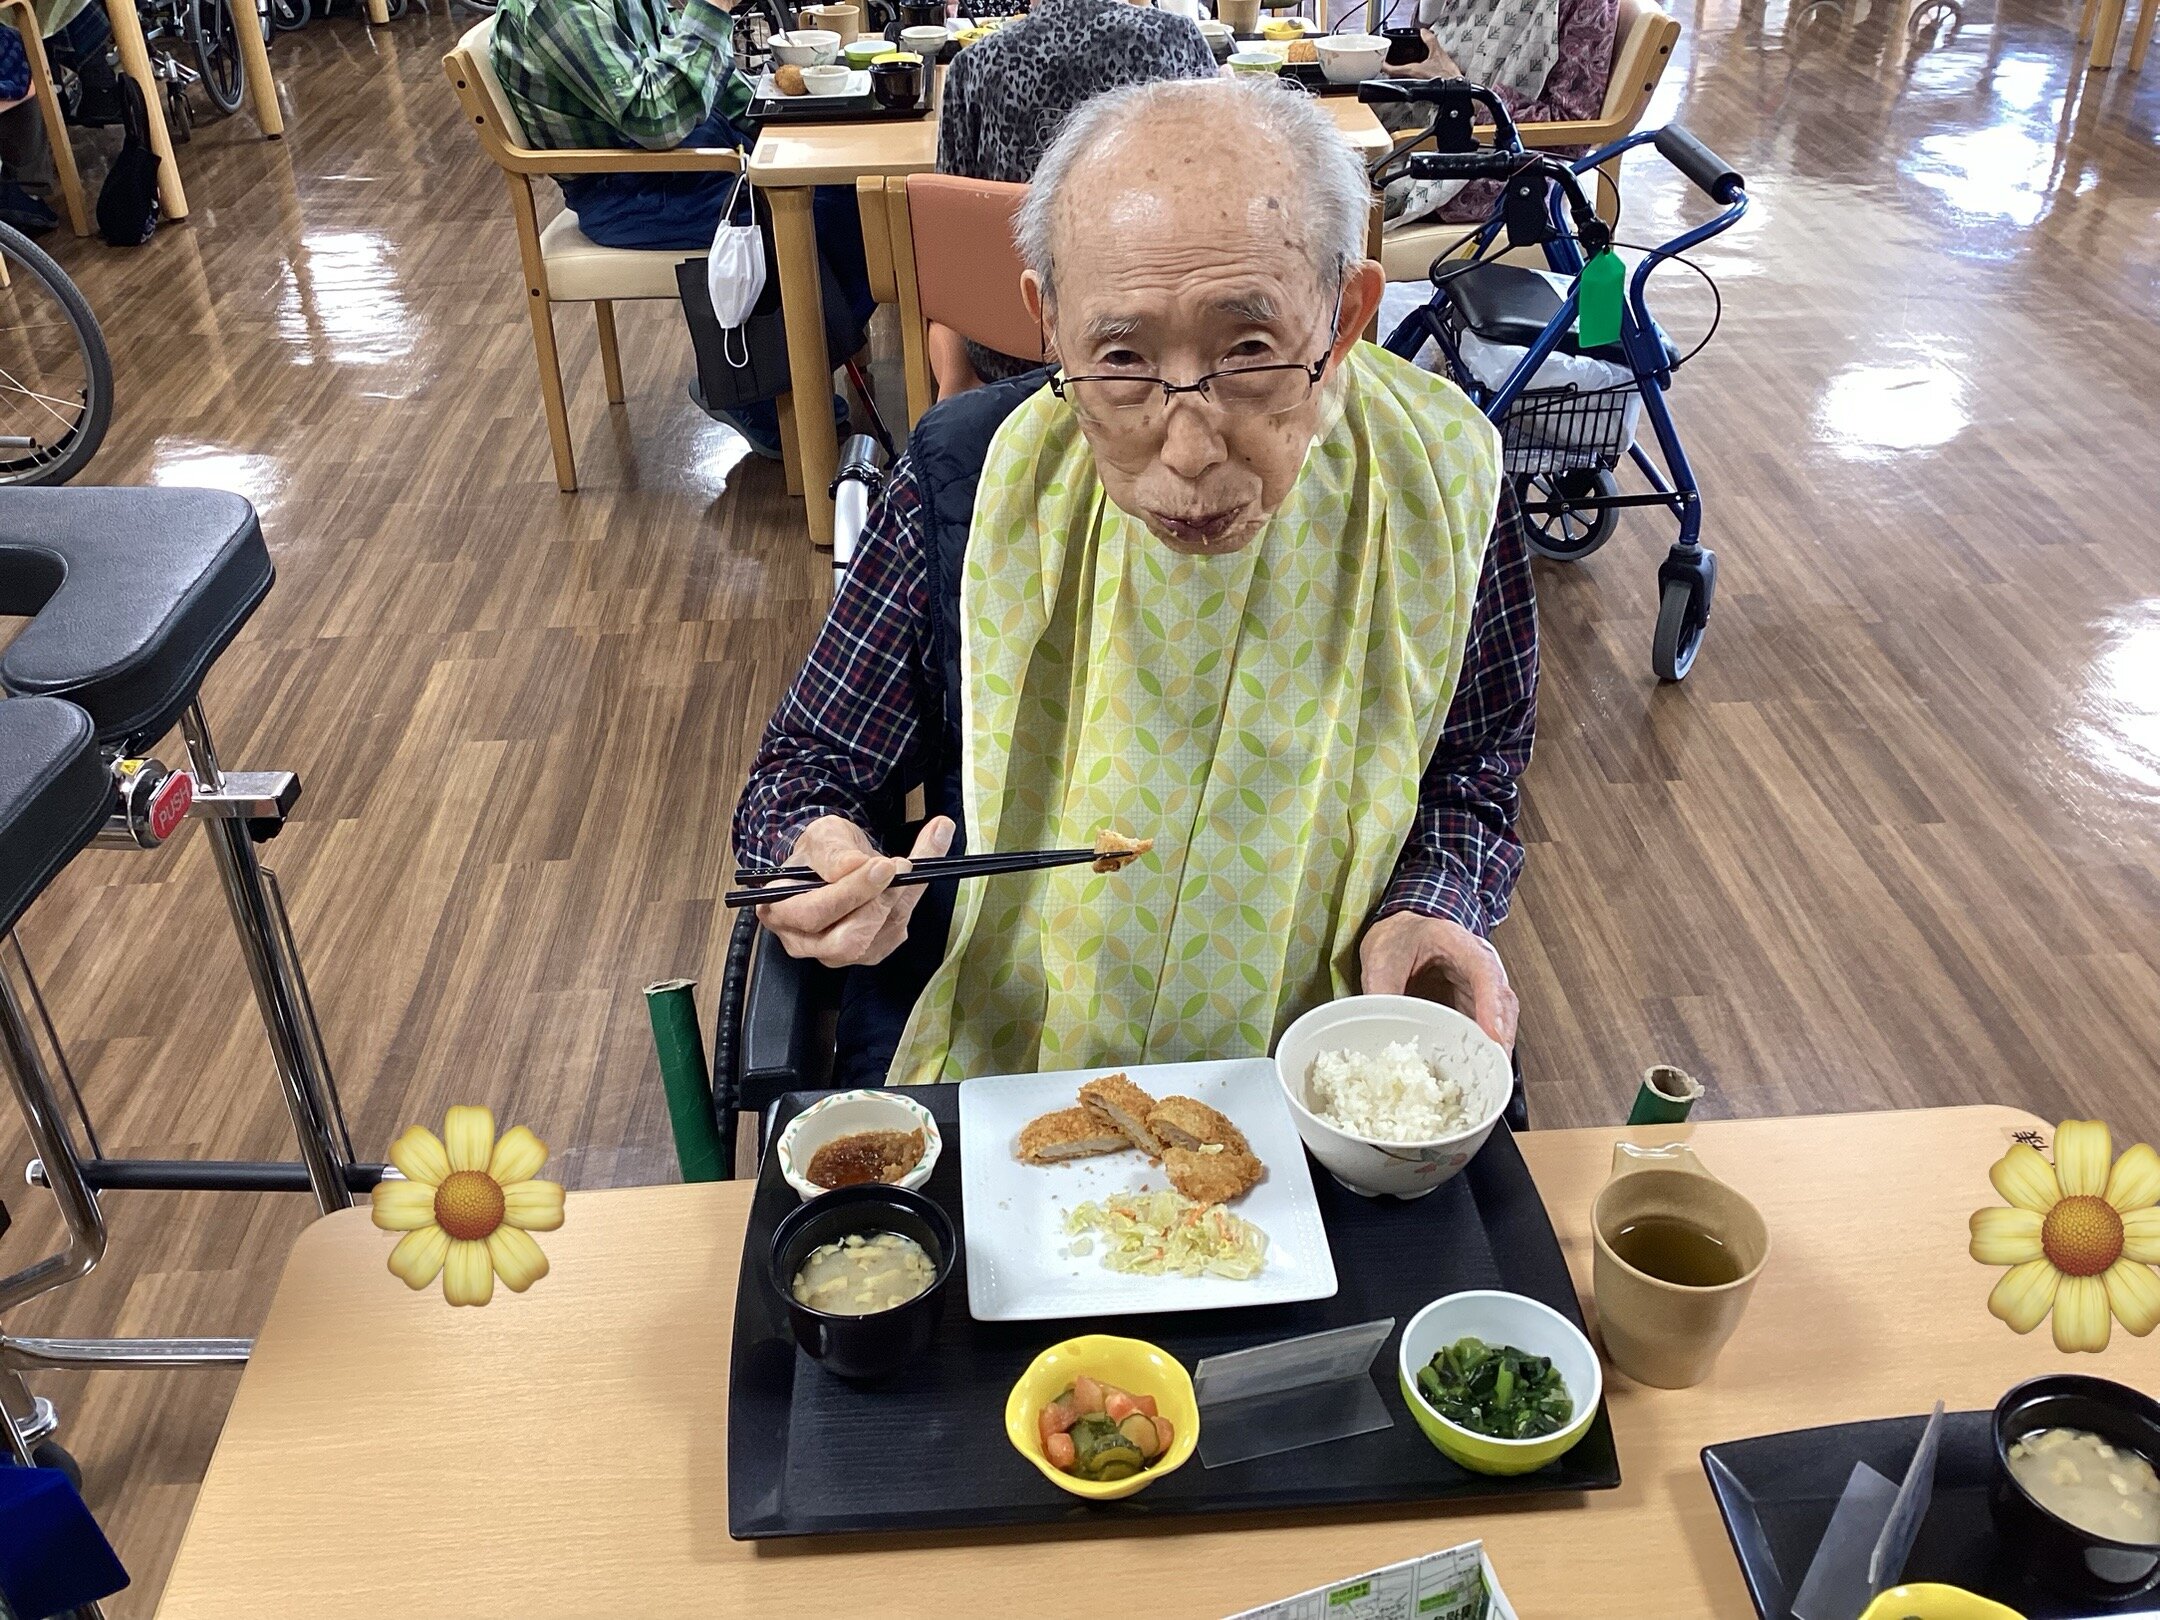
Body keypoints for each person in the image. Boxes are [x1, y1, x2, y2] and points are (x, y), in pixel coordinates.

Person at [733, 77, 1536, 1091]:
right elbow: (805, 767)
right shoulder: (968, 479)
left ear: (1344, 316)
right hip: (1012, 1062)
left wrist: (1434, 902)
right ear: (1049, 324)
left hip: (1323, 1071)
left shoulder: (1444, 479)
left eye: (1250, 352)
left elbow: (1476, 767)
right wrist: (820, 852)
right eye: (1120, 359)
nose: (1189, 451)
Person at [490, 0, 875, 459]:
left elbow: (693, 76)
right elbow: (654, 117)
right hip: (626, 187)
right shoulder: (558, 9)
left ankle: (783, 372)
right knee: (820, 211)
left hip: (679, 156)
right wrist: (710, 10)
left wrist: (780, 119)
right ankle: (753, 390)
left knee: (853, 188)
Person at [930, 0, 1217, 394]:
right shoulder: (1178, 41)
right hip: (1158, 343)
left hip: (1002, 352)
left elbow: (947, 235)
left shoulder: (973, 66)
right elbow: (1219, 191)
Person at [1377, 0, 1618, 231]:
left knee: (1360, 188)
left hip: (1501, 172)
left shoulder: (1586, 5)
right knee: (1359, 148)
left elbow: (1570, 130)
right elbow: (1435, 40)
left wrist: (1462, 89)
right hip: (1429, 134)